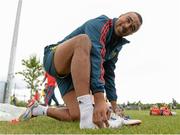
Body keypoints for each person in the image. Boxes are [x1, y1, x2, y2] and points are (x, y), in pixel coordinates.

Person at [19, 12, 143, 129]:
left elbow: (109, 74)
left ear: (131, 34)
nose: (127, 26)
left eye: (132, 28)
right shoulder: (101, 24)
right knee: (83, 40)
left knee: (76, 115)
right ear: (121, 15)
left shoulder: (117, 46)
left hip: (71, 74)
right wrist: (99, 99)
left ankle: (37, 109)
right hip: (55, 58)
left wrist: (114, 105)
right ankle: (87, 117)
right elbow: (95, 59)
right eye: (128, 20)